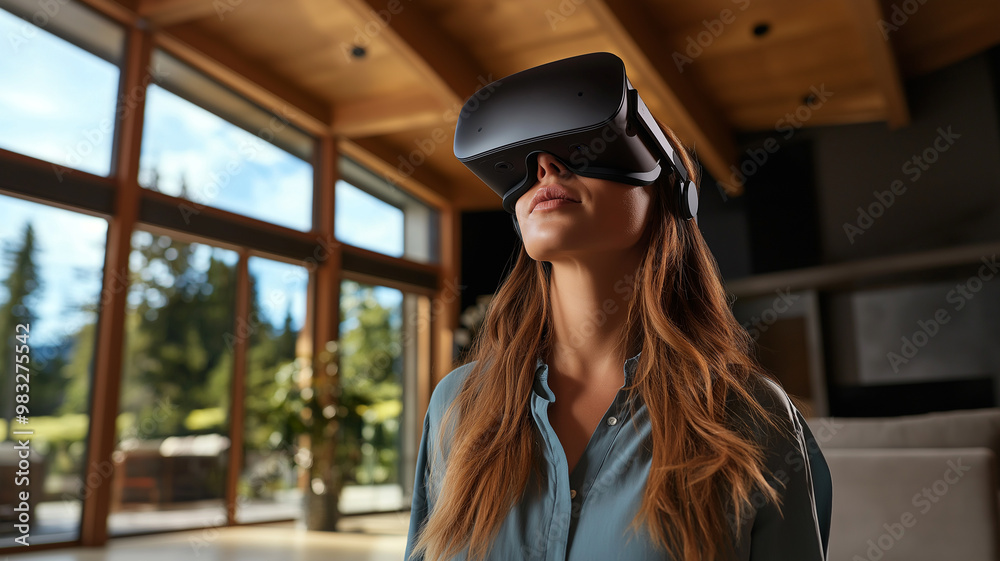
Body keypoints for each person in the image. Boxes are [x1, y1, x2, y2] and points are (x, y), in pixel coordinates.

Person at [404, 53, 832, 561]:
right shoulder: (457, 405)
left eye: (583, 148)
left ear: (671, 195)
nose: (545, 168)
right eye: (528, 162)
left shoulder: (753, 417)